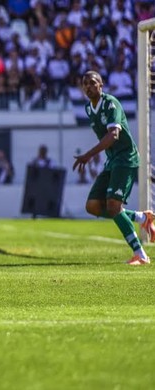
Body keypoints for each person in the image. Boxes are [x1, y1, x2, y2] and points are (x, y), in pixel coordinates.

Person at [73, 70, 155, 266]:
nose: (89, 86)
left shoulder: (111, 103)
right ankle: (142, 217)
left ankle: (141, 255)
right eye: (85, 83)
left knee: (113, 206)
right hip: (112, 161)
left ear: (101, 85)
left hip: (125, 158)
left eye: (93, 83)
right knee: (92, 206)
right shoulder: (88, 108)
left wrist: (88, 155)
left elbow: (113, 135)